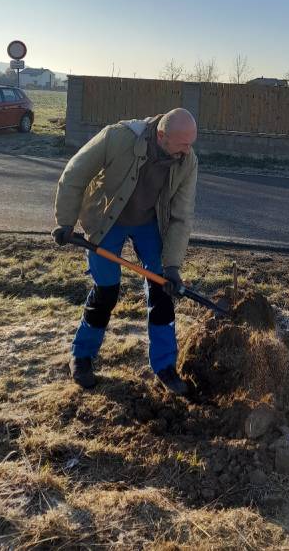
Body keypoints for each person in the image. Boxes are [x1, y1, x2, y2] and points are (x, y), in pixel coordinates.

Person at [52, 107, 198, 395]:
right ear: (161, 136)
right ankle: (82, 356)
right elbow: (75, 173)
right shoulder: (118, 137)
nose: (187, 151)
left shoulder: (187, 160)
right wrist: (65, 222)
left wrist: (172, 266)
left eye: (190, 144)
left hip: (149, 223)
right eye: (182, 144)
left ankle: (165, 366)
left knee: (162, 290)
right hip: (108, 219)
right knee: (106, 291)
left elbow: (182, 215)